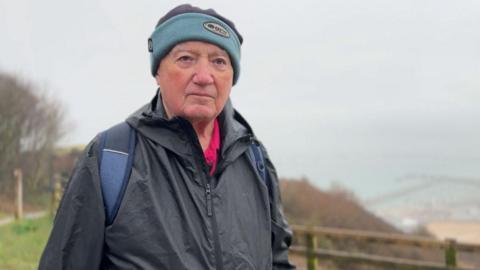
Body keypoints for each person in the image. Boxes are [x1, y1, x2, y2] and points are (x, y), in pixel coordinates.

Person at [39, 4, 296, 270]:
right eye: (186, 59)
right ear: (158, 72)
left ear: (231, 77)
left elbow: (277, 260)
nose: (204, 76)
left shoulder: (254, 159)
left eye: (219, 61)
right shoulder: (111, 158)